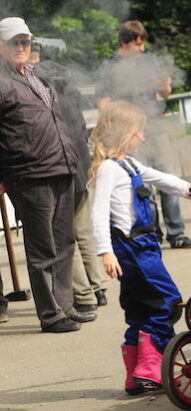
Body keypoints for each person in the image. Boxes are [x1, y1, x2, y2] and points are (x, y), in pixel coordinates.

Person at [90, 101, 191, 394]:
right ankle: (151, 369)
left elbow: (165, 181)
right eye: (140, 132)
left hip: (139, 248)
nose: (143, 137)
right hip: (134, 249)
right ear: (126, 133)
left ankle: (136, 375)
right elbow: (98, 212)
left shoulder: (130, 165)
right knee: (166, 301)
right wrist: (105, 250)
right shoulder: (110, 170)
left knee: (139, 309)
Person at [0, 17, 95, 333]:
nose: (22, 47)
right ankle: (50, 314)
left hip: (62, 165)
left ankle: (65, 306)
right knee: (42, 248)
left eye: (26, 41)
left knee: (65, 241)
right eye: (15, 42)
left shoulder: (38, 74)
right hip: (29, 173)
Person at [96, 20, 191, 249]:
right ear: (124, 42)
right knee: (143, 187)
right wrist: (113, 131)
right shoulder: (109, 66)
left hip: (154, 127)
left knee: (168, 176)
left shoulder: (149, 61)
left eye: (143, 44)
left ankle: (177, 233)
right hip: (130, 135)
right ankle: (152, 233)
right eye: (137, 44)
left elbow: (163, 93)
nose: (142, 49)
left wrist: (166, 86)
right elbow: (103, 103)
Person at [31, 41, 108, 312]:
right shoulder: (66, 77)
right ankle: (98, 288)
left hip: (59, 165)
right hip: (80, 161)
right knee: (83, 231)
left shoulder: (35, 82)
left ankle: (83, 296)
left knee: (63, 236)